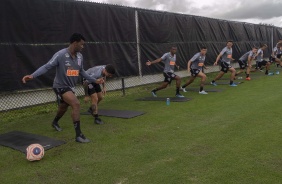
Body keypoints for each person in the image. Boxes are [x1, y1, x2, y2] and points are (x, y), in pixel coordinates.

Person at [22, 33, 104, 143]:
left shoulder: (80, 56)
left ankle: (55, 122)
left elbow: (82, 72)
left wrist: (95, 80)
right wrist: (32, 75)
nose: (83, 47)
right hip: (60, 86)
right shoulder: (60, 55)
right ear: (75, 43)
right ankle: (78, 135)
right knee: (76, 104)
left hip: (71, 88)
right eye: (81, 44)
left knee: (63, 107)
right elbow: (47, 66)